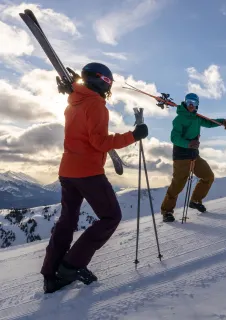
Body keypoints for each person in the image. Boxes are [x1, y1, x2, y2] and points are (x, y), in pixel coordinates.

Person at [40, 62, 149, 293]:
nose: (109, 86)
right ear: (98, 80)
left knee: (67, 221)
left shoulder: (73, 103)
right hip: (87, 172)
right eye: (108, 81)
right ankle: (71, 267)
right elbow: (99, 142)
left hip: (67, 170)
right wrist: (133, 135)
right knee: (111, 217)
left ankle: (51, 274)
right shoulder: (96, 105)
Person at [160, 93, 226, 222]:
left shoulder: (197, 118)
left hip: (194, 155)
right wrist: (188, 143)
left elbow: (210, 123)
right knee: (177, 186)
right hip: (181, 157)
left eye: (194, 102)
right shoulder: (179, 119)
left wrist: (223, 122)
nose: (191, 105)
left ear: (197, 104)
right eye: (189, 102)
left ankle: (195, 200)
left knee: (208, 176)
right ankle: (167, 211)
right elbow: (174, 138)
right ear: (185, 102)